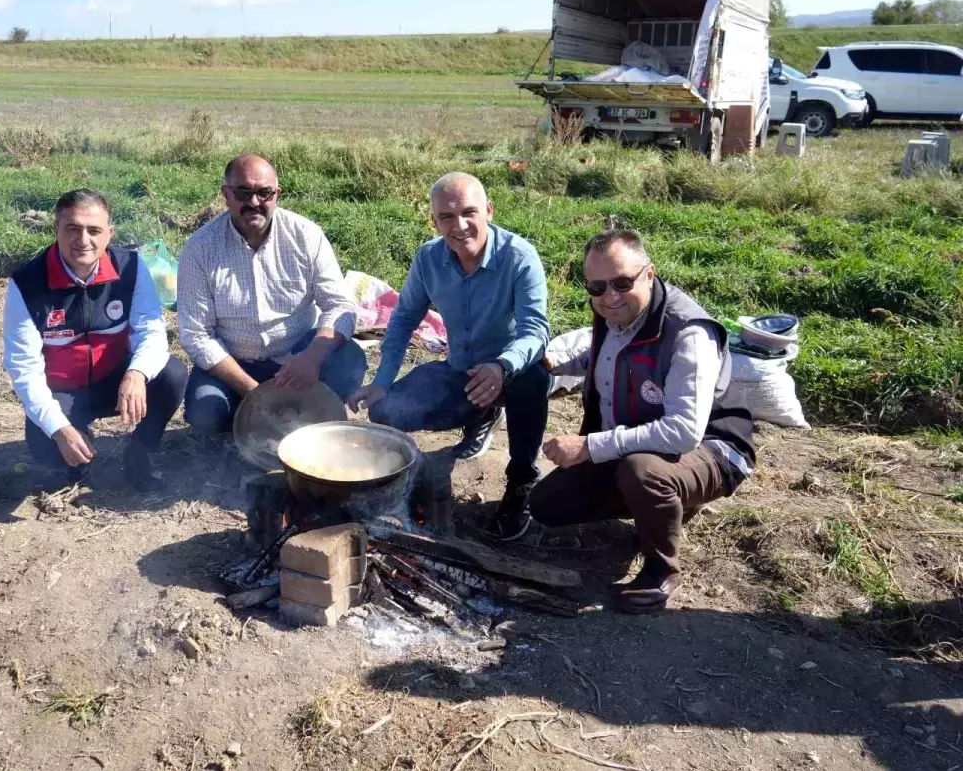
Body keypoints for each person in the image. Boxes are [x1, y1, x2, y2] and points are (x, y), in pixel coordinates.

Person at [530, 229, 755, 613]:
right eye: (597, 287)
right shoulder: (612, 312)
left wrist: (589, 446)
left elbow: (683, 432)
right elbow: (599, 353)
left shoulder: (688, 333)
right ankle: (663, 505)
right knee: (547, 505)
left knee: (643, 471)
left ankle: (661, 570)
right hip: (641, 438)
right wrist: (550, 362)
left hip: (712, 448)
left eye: (622, 282)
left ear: (648, 274)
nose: (610, 296)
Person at [349, 172, 551, 541]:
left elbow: (535, 330)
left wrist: (502, 367)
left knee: (534, 381)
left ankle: (521, 482)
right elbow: (402, 321)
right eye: (446, 217)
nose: (459, 226)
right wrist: (380, 383)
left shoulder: (519, 258)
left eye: (469, 213)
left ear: (488, 211)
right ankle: (474, 423)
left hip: (511, 369)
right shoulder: (428, 258)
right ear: (434, 220)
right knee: (386, 409)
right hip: (460, 371)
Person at [3, 189, 188, 490]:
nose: (83, 240)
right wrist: (59, 428)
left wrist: (137, 374)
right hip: (62, 391)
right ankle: (77, 459)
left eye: (94, 230)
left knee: (172, 373)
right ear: (56, 229)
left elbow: (151, 332)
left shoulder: (132, 267)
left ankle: (140, 452)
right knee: (46, 445)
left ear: (110, 234)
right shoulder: (26, 283)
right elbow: (23, 368)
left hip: (114, 381)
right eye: (72, 228)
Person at [177, 153, 366, 435]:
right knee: (205, 413)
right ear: (226, 194)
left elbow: (341, 306)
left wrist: (312, 357)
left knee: (349, 359)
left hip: (297, 356)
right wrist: (254, 392)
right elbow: (196, 335)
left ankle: (312, 409)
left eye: (264, 193)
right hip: (235, 362)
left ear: (277, 194)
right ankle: (254, 414)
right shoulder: (200, 248)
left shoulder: (305, 235)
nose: (253, 202)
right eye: (243, 192)